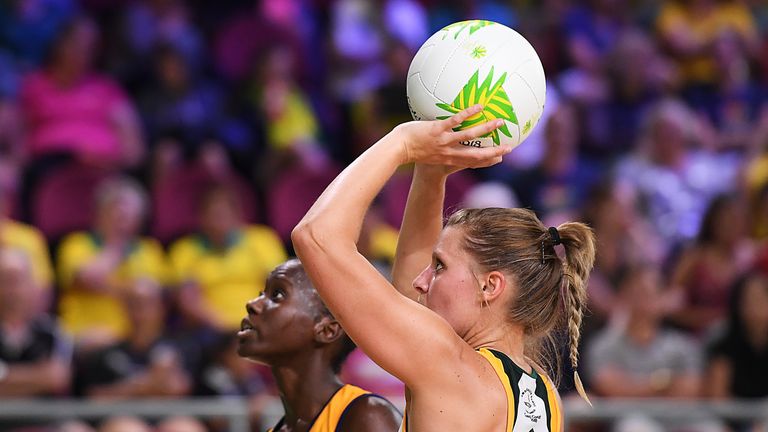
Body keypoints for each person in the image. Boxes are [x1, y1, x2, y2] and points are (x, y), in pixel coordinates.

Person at [292, 105, 595, 431]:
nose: (422, 280)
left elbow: (316, 236)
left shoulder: (447, 366)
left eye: (439, 266)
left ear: (490, 286)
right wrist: (430, 174)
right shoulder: (544, 395)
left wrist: (402, 142)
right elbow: (411, 290)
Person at [237, 258, 402, 432]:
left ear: (327, 329)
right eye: (261, 294)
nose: (252, 304)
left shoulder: (367, 417)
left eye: (277, 294)